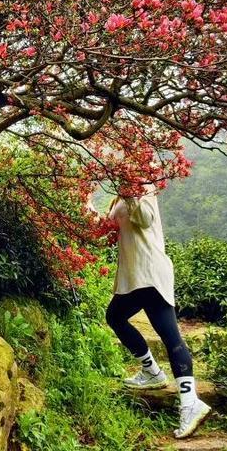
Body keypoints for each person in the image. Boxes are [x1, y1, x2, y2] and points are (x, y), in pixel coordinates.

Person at [92, 185, 212, 439]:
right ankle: (153, 372)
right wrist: (86, 202)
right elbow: (105, 229)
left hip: (150, 272)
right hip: (135, 276)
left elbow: (146, 218)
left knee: (170, 336)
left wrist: (128, 188)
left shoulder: (141, 185)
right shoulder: (119, 197)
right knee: (115, 317)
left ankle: (190, 402)